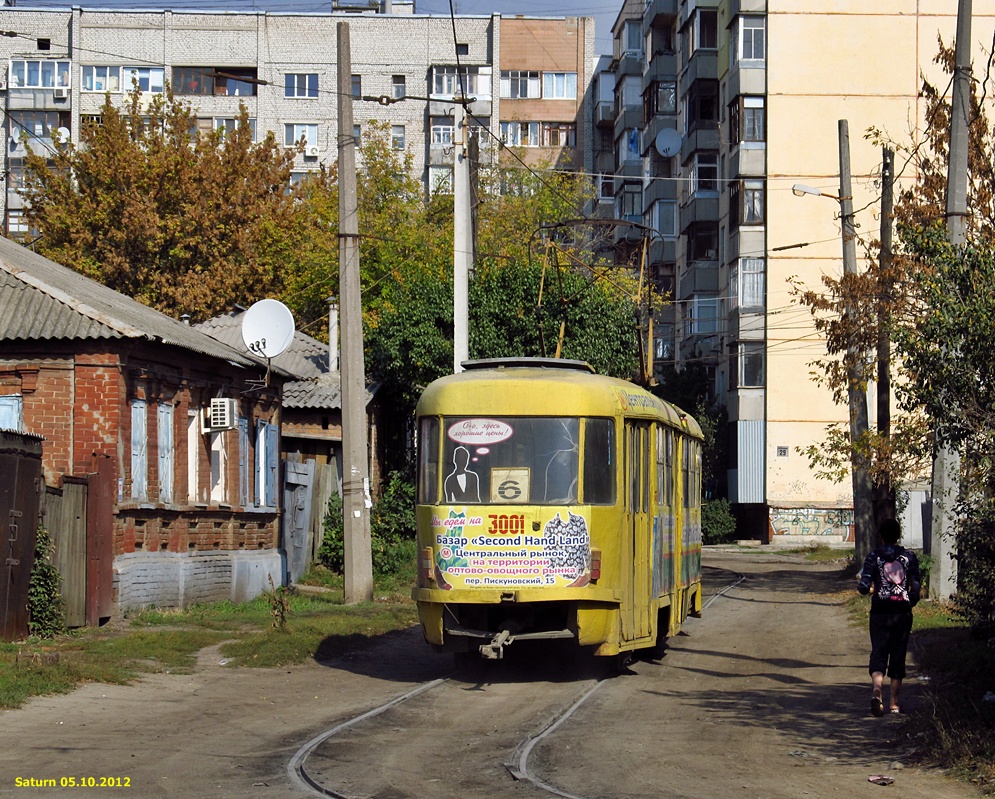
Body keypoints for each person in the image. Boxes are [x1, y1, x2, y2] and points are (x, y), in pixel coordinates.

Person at [857, 518, 921, 716]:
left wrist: (868, 587)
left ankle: (877, 692)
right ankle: (894, 703)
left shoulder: (873, 556)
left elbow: (863, 587)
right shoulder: (909, 557)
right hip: (901, 613)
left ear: (881, 535)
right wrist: (908, 601)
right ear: (898, 534)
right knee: (898, 654)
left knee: (879, 652)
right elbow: (916, 588)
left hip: (879, 612)